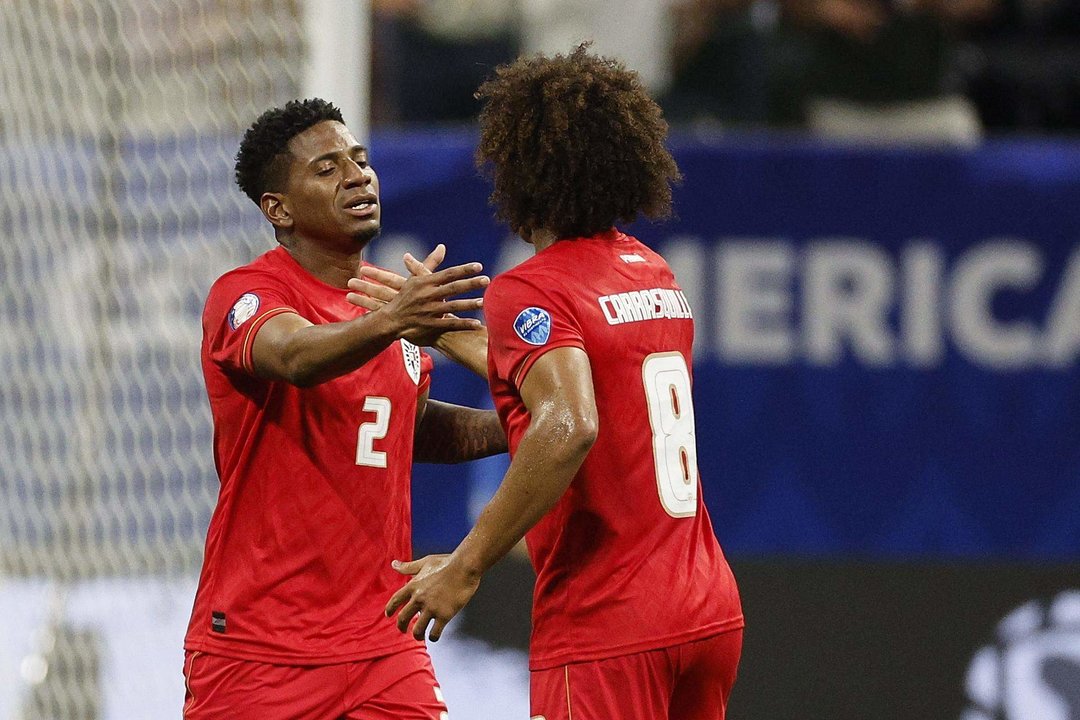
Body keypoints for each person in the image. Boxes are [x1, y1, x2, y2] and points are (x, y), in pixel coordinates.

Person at [383, 47, 745, 720]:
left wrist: (465, 563)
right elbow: (578, 369)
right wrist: (439, 329)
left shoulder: (533, 288)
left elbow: (569, 422)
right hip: (705, 607)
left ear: (520, 170)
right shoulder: (652, 274)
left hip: (610, 621)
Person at [182, 97, 506, 719]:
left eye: (360, 160)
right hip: (260, 650)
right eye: (327, 169)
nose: (357, 176)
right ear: (278, 208)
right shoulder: (247, 293)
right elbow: (297, 356)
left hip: (385, 644)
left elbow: (403, 424)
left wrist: (518, 427)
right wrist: (394, 320)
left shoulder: (387, 304)